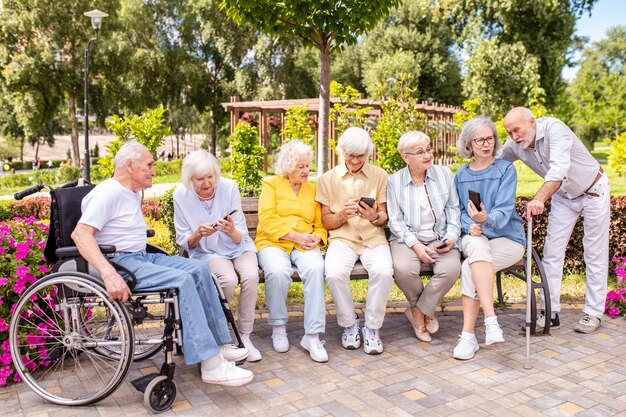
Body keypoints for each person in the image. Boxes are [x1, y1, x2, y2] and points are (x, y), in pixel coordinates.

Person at [71, 141, 254, 386]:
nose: (153, 171)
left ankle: (220, 344)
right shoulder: (109, 192)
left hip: (140, 256)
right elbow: (80, 234)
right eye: (149, 165)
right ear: (129, 165)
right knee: (182, 280)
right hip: (120, 263)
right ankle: (211, 365)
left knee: (200, 269)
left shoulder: (131, 192)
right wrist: (109, 274)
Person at [501, 107, 610, 333]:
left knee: (594, 252)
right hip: (563, 197)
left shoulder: (555, 130)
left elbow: (559, 169)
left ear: (532, 122)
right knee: (552, 253)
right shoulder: (514, 145)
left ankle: (593, 312)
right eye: (509, 133)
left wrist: (539, 198)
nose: (513, 137)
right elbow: (495, 165)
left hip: (593, 191)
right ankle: (549, 313)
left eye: (516, 130)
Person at [173, 149, 261, 362]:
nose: (207, 183)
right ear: (189, 179)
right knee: (227, 280)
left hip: (238, 246)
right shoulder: (180, 195)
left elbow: (240, 235)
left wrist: (229, 229)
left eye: (210, 177)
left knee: (250, 276)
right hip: (207, 250)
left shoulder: (229, 188)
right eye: (200, 179)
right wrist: (198, 233)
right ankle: (221, 335)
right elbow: (185, 240)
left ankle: (245, 335)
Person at [452, 117, 526, 360]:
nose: (486, 144)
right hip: (475, 238)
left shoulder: (506, 169)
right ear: (469, 144)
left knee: (468, 266)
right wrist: (470, 225)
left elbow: (504, 212)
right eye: (480, 139)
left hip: (508, 240)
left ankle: (468, 336)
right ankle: (491, 321)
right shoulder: (461, 175)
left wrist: (485, 221)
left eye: (490, 138)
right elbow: (459, 212)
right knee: (475, 245)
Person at [316, 127, 393, 355]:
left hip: (372, 236)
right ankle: (349, 324)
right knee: (334, 272)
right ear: (341, 152)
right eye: (351, 155)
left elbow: (383, 216)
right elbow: (326, 221)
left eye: (361, 155)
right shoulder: (327, 179)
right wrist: (342, 215)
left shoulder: (380, 175)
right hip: (343, 238)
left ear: (368, 153)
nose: (355, 160)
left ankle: (372, 327)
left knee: (383, 270)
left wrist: (373, 216)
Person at [255, 140, 329, 362]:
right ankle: (278, 326)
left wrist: (317, 237)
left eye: (307, 166)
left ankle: (312, 336)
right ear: (288, 166)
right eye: (301, 167)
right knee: (277, 271)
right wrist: (295, 235)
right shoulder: (271, 185)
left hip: (304, 243)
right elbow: (266, 219)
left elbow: (319, 224)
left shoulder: (312, 189)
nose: (306, 171)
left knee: (316, 268)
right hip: (273, 242)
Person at [387, 131, 461, 343]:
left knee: (451, 269)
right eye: (420, 152)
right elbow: (395, 220)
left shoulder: (445, 174)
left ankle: (418, 313)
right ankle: (425, 311)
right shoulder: (394, 181)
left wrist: (452, 237)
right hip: (407, 239)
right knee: (403, 269)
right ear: (406, 157)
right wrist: (416, 245)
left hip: (440, 236)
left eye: (428, 149)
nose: (427, 155)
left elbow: (454, 210)